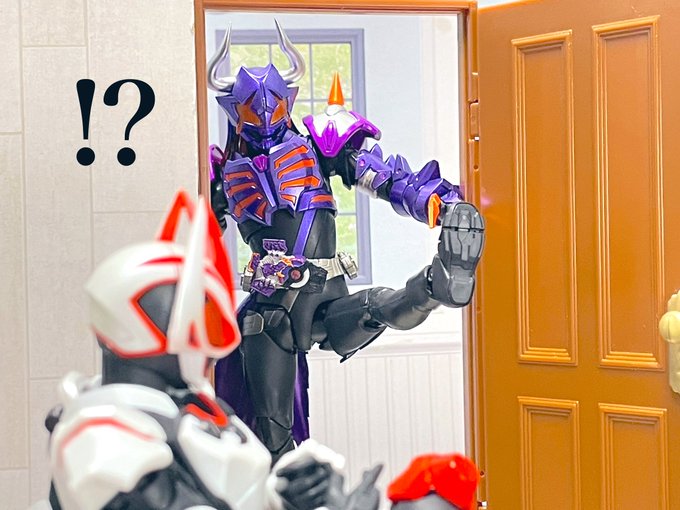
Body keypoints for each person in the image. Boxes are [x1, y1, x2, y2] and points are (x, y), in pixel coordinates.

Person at [209, 21, 485, 461]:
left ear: (287, 101)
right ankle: (433, 287)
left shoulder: (319, 142)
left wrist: (440, 203)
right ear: (231, 108)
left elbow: (385, 176)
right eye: (249, 108)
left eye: (272, 103)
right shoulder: (223, 170)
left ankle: (440, 282)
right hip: (271, 312)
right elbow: (201, 235)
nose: (262, 114)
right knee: (273, 435)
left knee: (379, 308)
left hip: (312, 299)